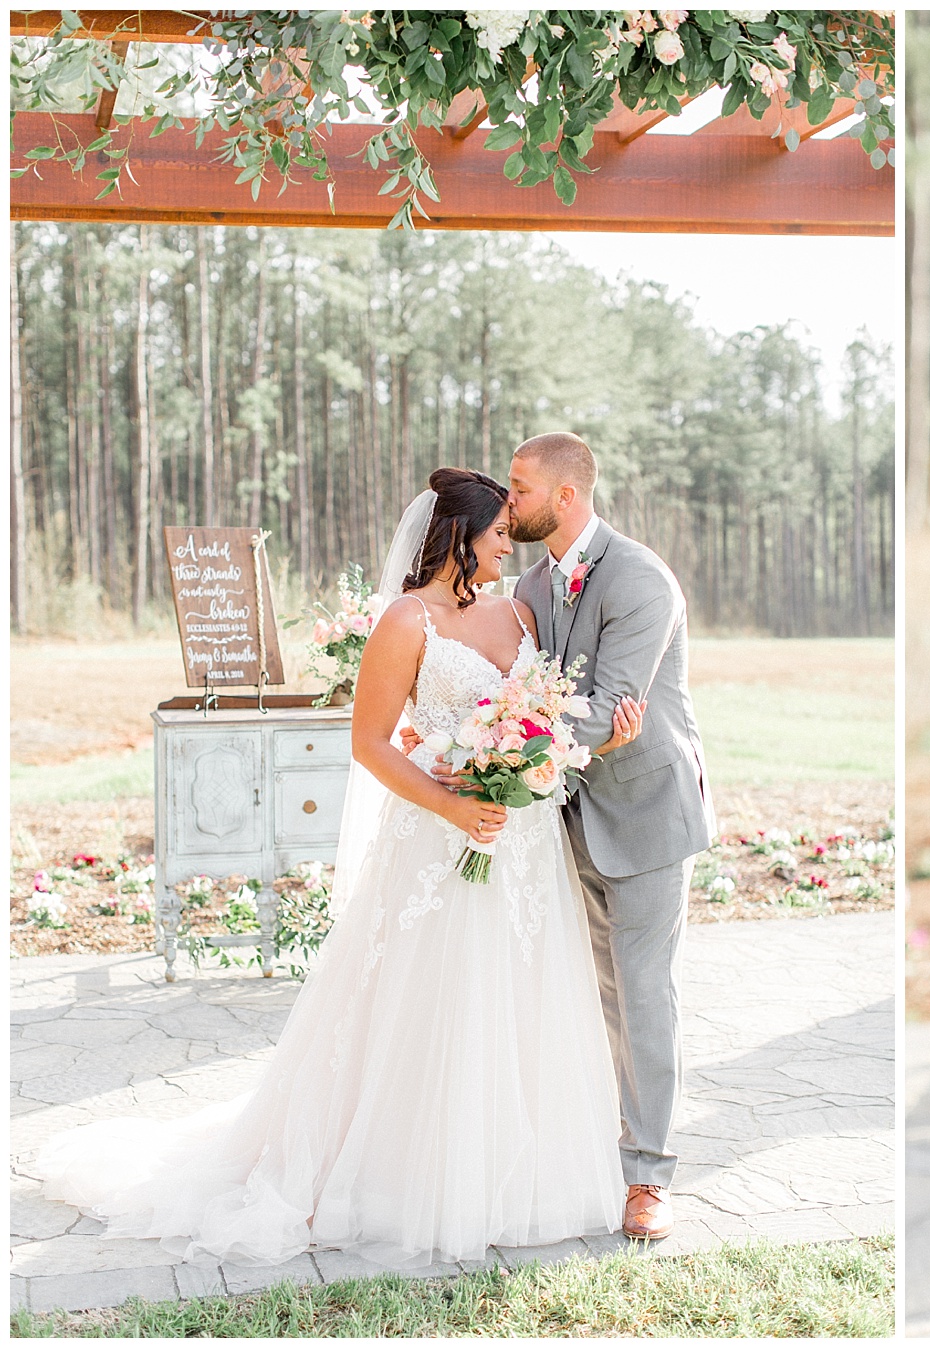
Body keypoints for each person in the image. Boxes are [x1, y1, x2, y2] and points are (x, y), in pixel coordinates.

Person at [35, 468, 642, 1268]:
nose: (508, 544)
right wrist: (451, 803)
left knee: (521, 996)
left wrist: (559, 752)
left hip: (522, 849)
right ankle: (408, 1176)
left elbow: (541, 718)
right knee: (435, 1001)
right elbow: (370, 744)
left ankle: (521, 1177)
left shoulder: (519, 611)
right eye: (497, 533)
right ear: (459, 538)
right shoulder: (406, 620)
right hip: (439, 838)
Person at [495, 433, 714, 1242]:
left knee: (644, 991)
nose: (506, 502)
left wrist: (500, 730)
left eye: (518, 489)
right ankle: (604, 1148)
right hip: (572, 810)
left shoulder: (640, 578)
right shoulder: (532, 582)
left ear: (566, 496)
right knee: (600, 995)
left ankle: (650, 1175)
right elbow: (545, 695)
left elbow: (615, 704)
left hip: (648, 811)